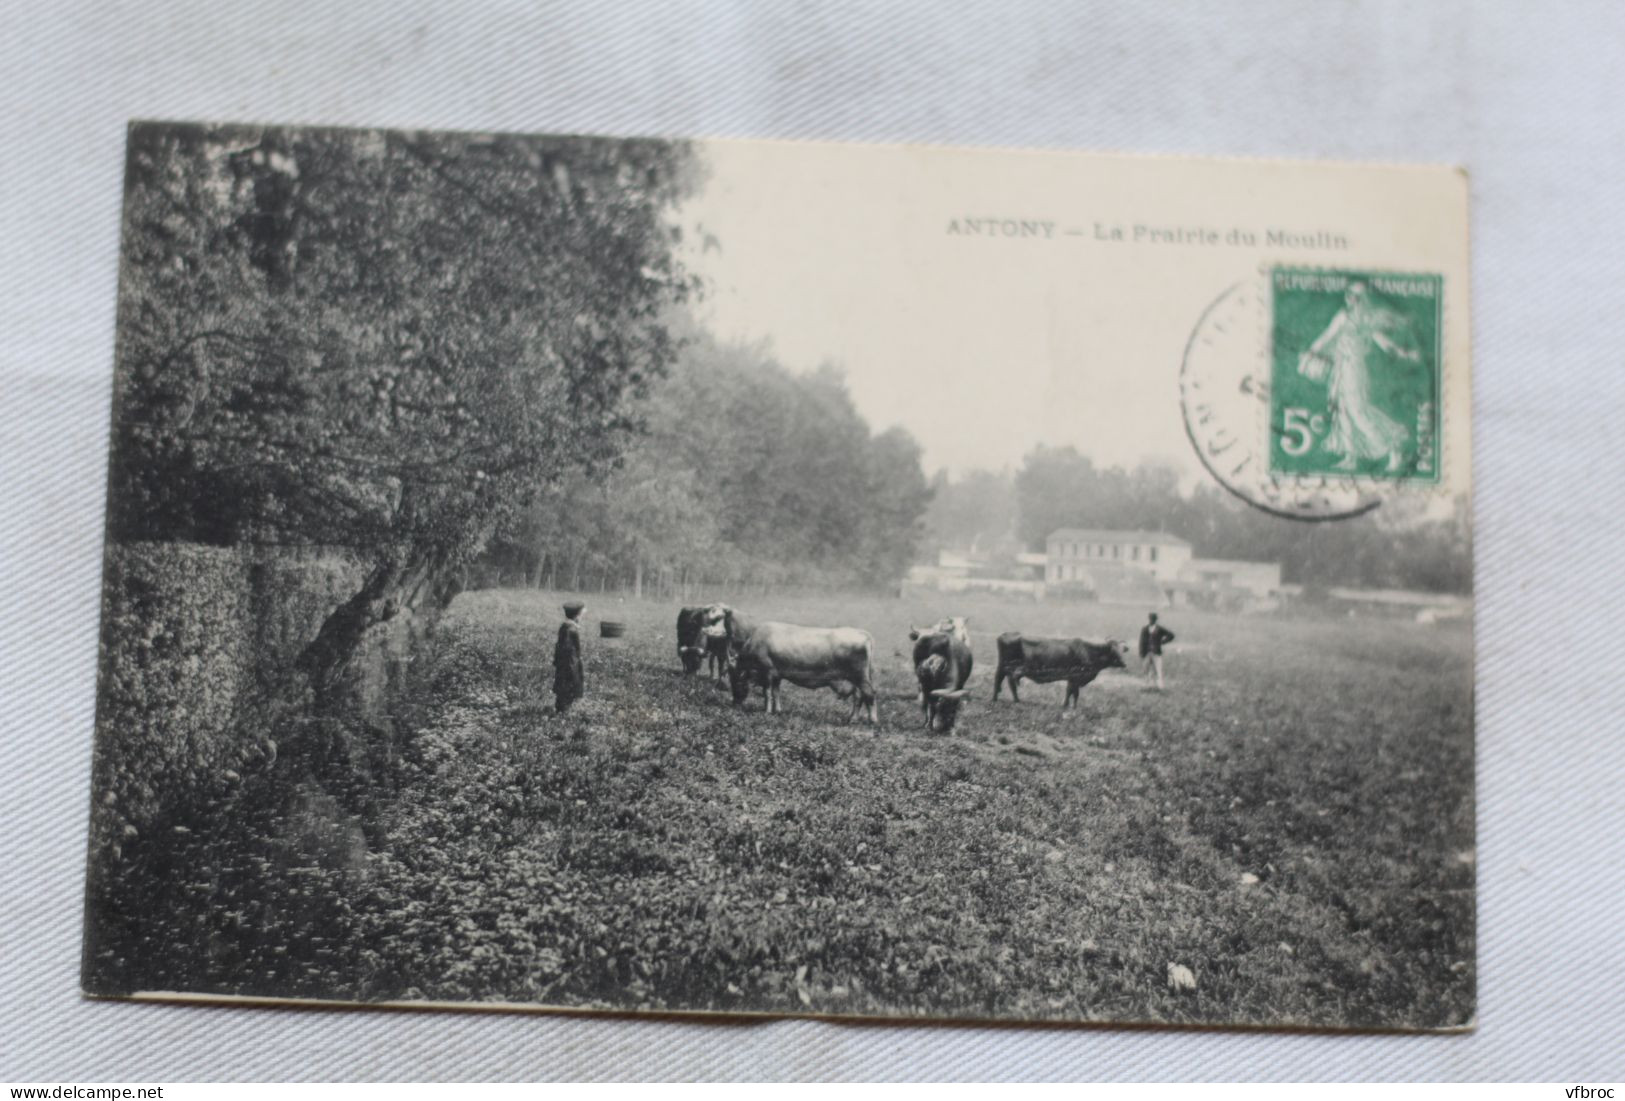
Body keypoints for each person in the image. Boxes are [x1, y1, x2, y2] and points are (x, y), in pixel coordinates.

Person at [1298, 280, 1422, 473]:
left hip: (1354, 368)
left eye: (1354, 296)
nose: (1349, 299)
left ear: (1361, 299)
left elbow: (1383, 343)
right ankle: (1351, 457)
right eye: (1348, 295)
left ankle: (1393, 450)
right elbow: (1327, 336)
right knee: (1342, 410)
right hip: (1340, 367)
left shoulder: (1367, 320)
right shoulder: (1343, 316)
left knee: (1357, 411)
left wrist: (1404, 353)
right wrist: (1311, 352)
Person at [553, 601, 586, 713]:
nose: (582, 616)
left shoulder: (566, 627)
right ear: (577, 615)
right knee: (569, 684)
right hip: (570, 663)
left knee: (565, 685)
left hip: (567, 662)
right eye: (581, 614)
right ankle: (563, 710)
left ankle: (562, 707)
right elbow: (568, 649)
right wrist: (573, 664)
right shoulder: (571, 629)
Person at [1139, 612, 1175, 690]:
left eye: (1153, 619)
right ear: (1149, 619)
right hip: (1147, 652)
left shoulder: (1160, 629)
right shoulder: (1145, 629)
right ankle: (1146, 684)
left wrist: (1163, 641)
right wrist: (1141, 652)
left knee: (1158, 669)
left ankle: (1160, 685)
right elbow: (1141, 641)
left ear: (1155, 620)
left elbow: (1171, 635)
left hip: (1156, 652)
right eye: (1150, 619)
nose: (1151, 621)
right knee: (1146, 669)